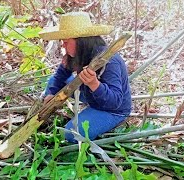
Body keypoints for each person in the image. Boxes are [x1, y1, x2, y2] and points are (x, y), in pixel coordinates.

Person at [39, 12, 132, 143]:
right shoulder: (76, 54)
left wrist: (95, 84)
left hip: (112, 110)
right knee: (52, 82)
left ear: (81, 42)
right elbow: (59, 77)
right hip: (89, 95)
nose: (63, 46)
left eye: (66, 42)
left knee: (71, 133)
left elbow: (115, 102)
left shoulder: (110, 61)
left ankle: (106, 121)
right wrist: (51, 93)